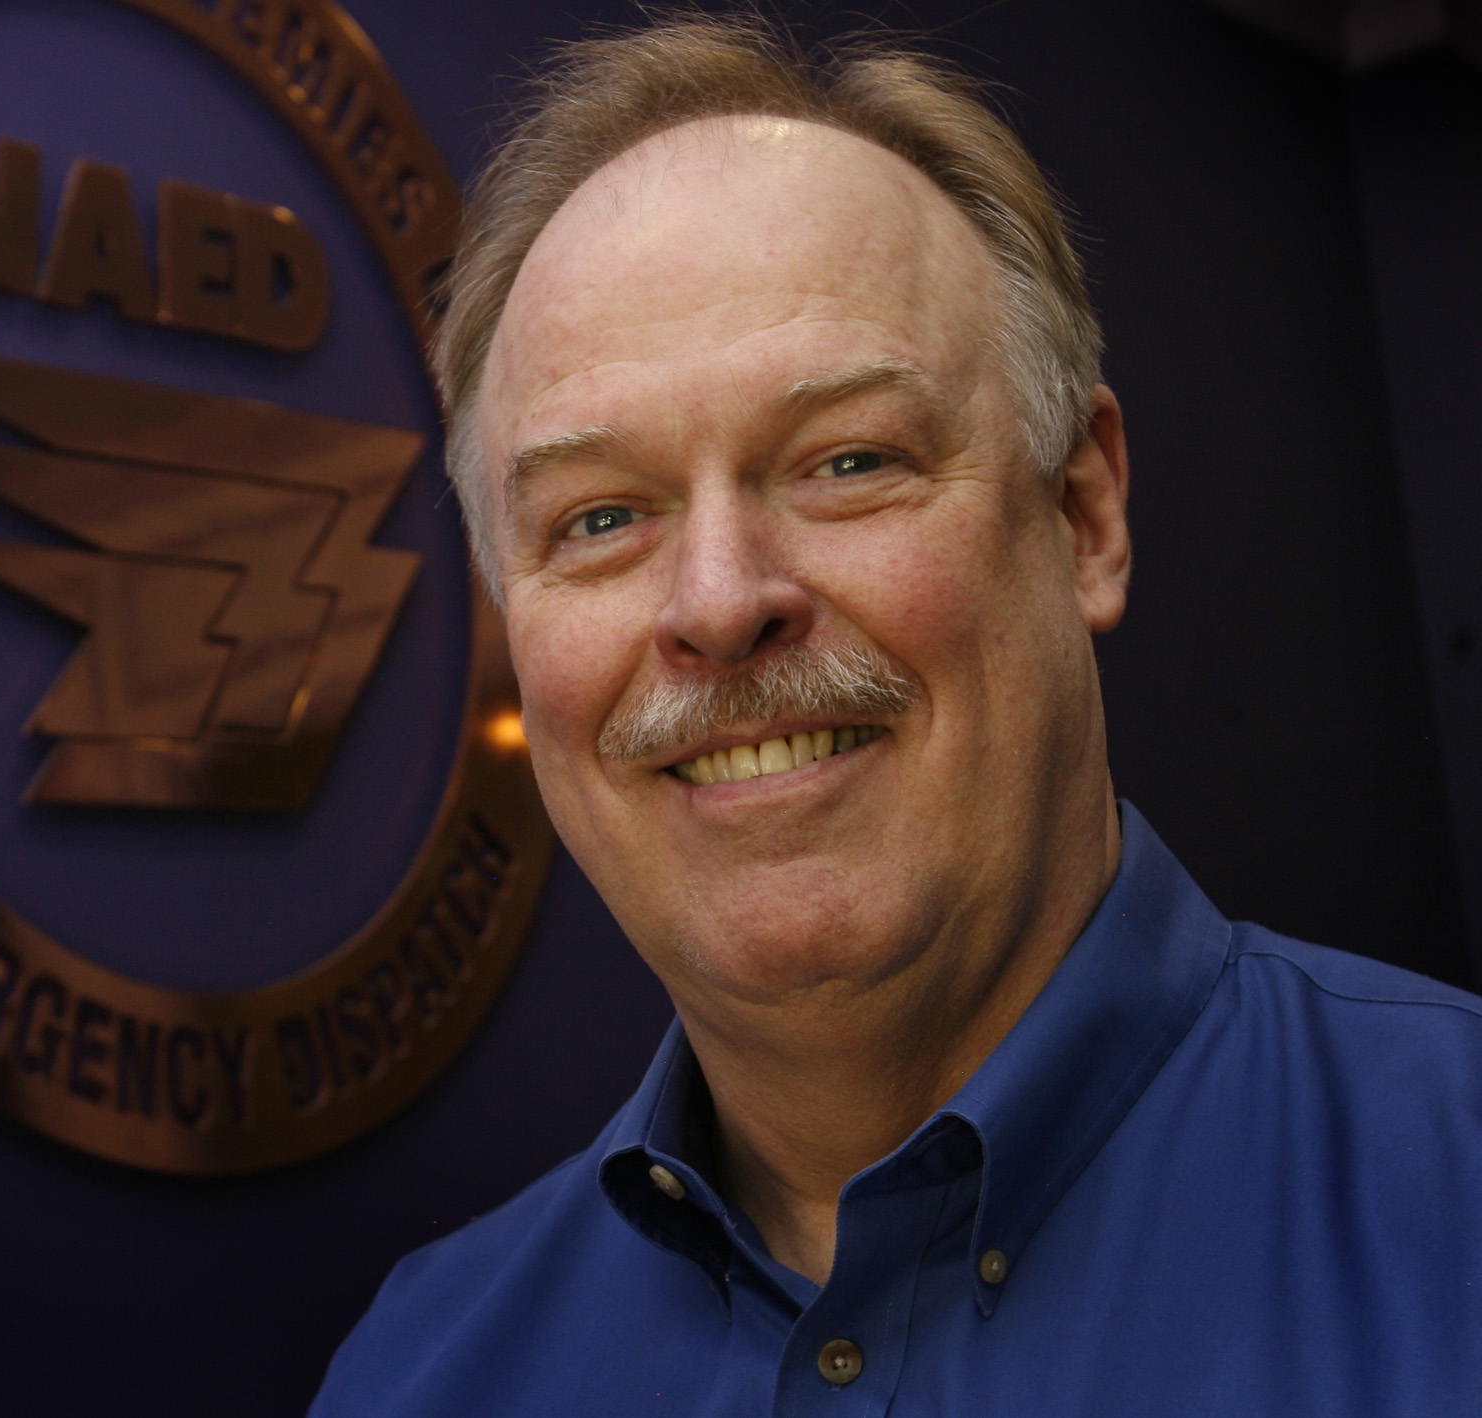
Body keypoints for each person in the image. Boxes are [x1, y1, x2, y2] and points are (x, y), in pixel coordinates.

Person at [310, 14, 1482, 1415]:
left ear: (1085, 513)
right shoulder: (421, 1369)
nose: (719, 598)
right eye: (602, 515)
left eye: (849, 458)